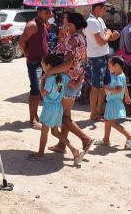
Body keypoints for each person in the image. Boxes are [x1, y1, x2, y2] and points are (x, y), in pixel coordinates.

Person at [44, 13, 95, 160]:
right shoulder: (78, 38)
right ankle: (61, 145)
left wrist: (49, 72)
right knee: (66, 114)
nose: (64, 22)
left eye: (66, 20)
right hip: (73, 80)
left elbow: (68, 63)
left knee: (62, 116)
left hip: (66, 80)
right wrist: (62, 37)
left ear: (72, 22)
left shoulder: (73, 39)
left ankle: (85, 138)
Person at [27, 54, 82, 165]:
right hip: (58, 108)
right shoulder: (64, 76)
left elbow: (43, 93)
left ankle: (40, 153)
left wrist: (41, 82)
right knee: (55, 132)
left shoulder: (49, 78)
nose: (42, 68)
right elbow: (75, 87)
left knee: (44, 132)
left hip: (49, 108)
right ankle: (73, 149)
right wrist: (81, 78)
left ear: (48, 66)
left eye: (43, 66)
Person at [84, 2, 120, 121]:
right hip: (96, 57)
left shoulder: (99, 20)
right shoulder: (92, 22)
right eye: (104, 9)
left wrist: (112, 35)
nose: (105, 11)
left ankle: (98, 111)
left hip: (103, 55)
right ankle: (93, 113)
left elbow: (106, 38)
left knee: (103, 85)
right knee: (96, 86)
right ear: (98, 8)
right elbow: (101, 40)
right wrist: (110, 34)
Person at [19, 7, 52, 130]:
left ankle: (36, 116)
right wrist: (28, 55)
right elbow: (21, 42)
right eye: (46, 12)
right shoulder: (32, 25)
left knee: (41, 89)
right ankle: (32, 119)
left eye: (50, 12)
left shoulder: (43, 24)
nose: (49, 14)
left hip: (43, 62)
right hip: (34, 62)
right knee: (35, 90)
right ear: (39, 12)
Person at [94, 56, 131, 148]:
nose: (108, 68)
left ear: (116, 65)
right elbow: (125, 87)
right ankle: (106, 139)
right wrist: (127, 96)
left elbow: (119, 89)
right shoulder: (121, 75)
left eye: (109, 66)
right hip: (113, 102)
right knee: (107, 120)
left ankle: (130, 136)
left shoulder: (118, 77)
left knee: (111, 122)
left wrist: (107, 88)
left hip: (114, 102)